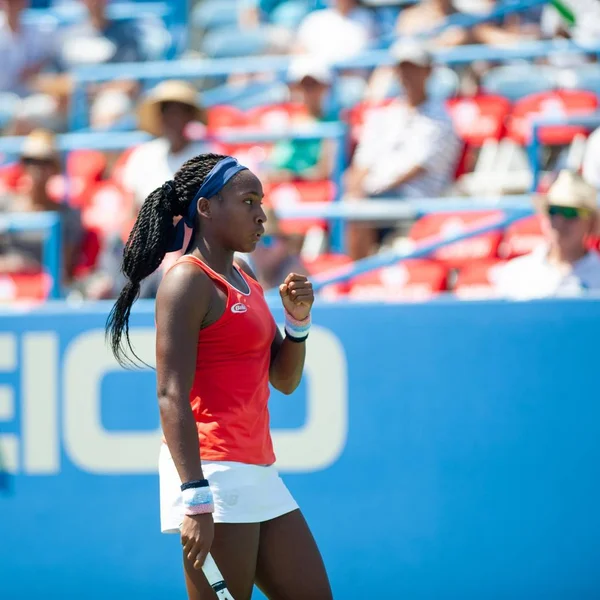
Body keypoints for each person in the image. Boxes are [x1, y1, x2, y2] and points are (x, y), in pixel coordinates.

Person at [105, 153, 332, 600]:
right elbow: (171, 394)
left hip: (260, 470)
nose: (261, 214)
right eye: (248, 201)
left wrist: (297, 323)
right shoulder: (185, 282)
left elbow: (284, 380)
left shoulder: (244, 275)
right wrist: (195, 497)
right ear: (206, 209)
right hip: (213, 477)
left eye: (261, 202)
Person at [494, 170, 600, 299]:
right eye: (554, 211)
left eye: (570, 212)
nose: (559, 221)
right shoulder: (515, 274)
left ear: (591, 222)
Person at [121, 80, 213, 209]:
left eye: (178, 113)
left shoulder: (208, 158)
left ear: (190, 117)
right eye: (167, 113)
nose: (172, 120)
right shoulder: (143, 155)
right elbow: (131, 208)